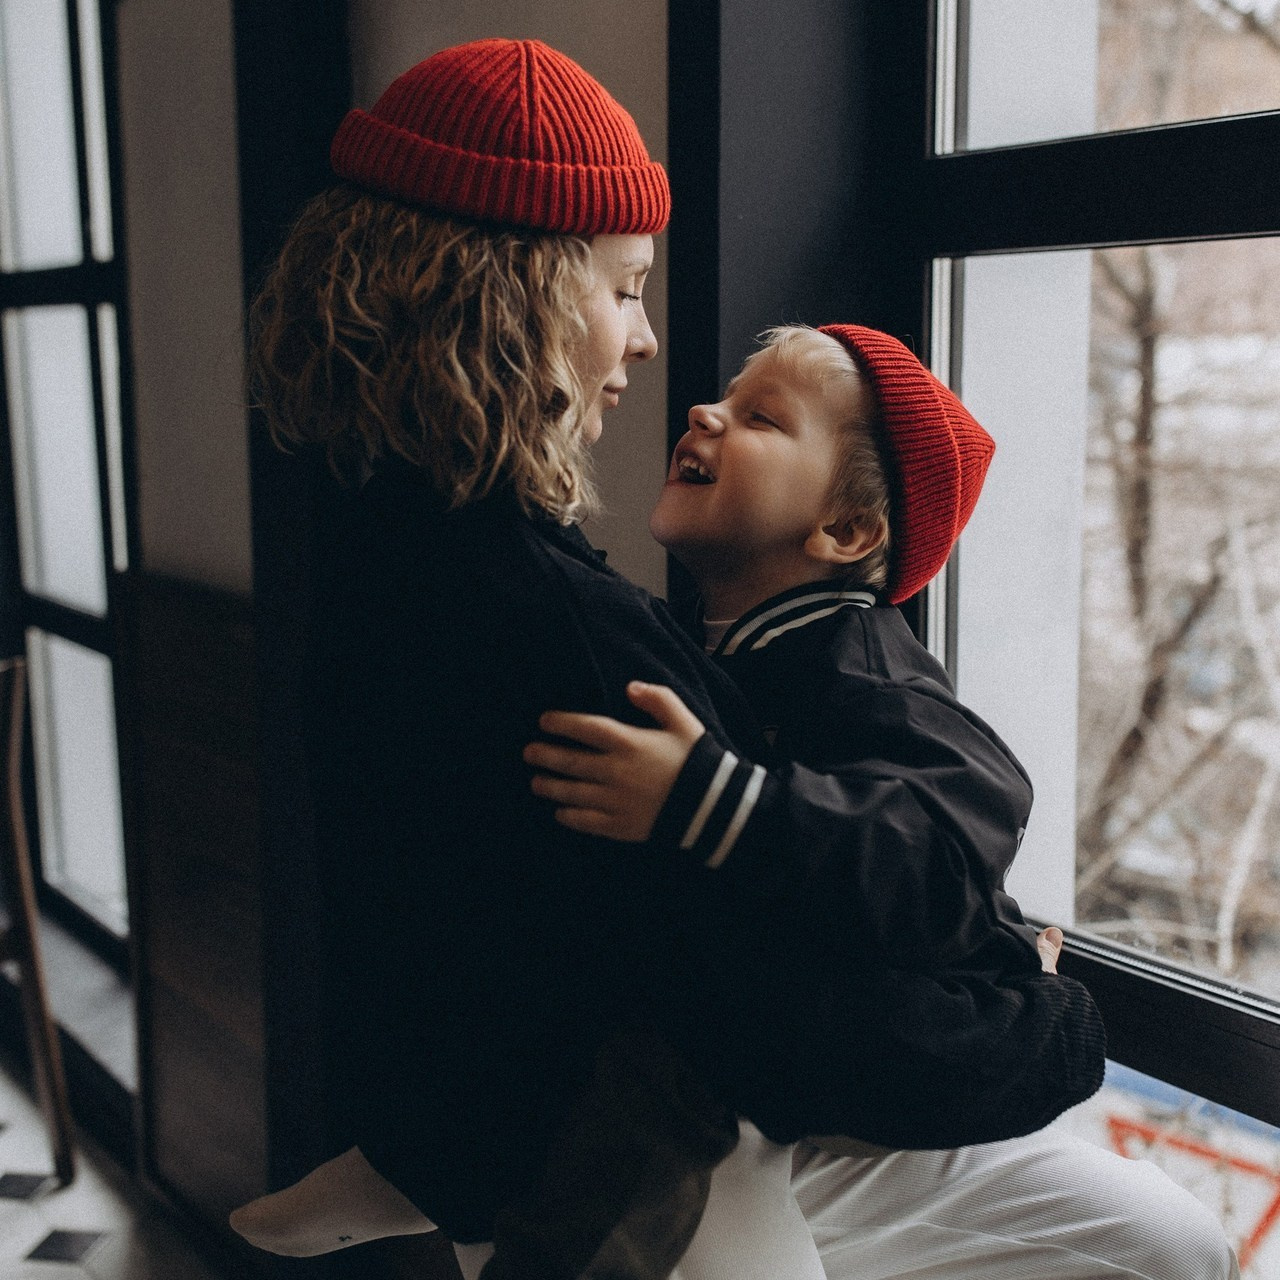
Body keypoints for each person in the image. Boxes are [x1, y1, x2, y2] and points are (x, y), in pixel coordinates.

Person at [229, 38, 1236, 1280]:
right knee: (1168, 1246)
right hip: (625, 1162)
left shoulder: (381, 545)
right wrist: (1054, 1019)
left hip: (515, 1115)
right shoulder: (579, 641)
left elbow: (915, 842)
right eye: (623, 290)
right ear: (519, 293)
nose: (654, 353)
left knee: (1163, 1235)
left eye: (762, 416)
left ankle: (406, 1158)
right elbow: (777, 1015)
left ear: (846, 534)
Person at [520, 322, 1240, 1280]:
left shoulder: (862, 662)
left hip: (922, 1006)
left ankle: (1055, 1018)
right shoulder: (704, 644)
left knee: (1029, 1066)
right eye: (727, 398)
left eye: (760, 417)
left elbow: (955, 827)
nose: (705, 411)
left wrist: (712, 798)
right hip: (774, 1056)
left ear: (847, 534)